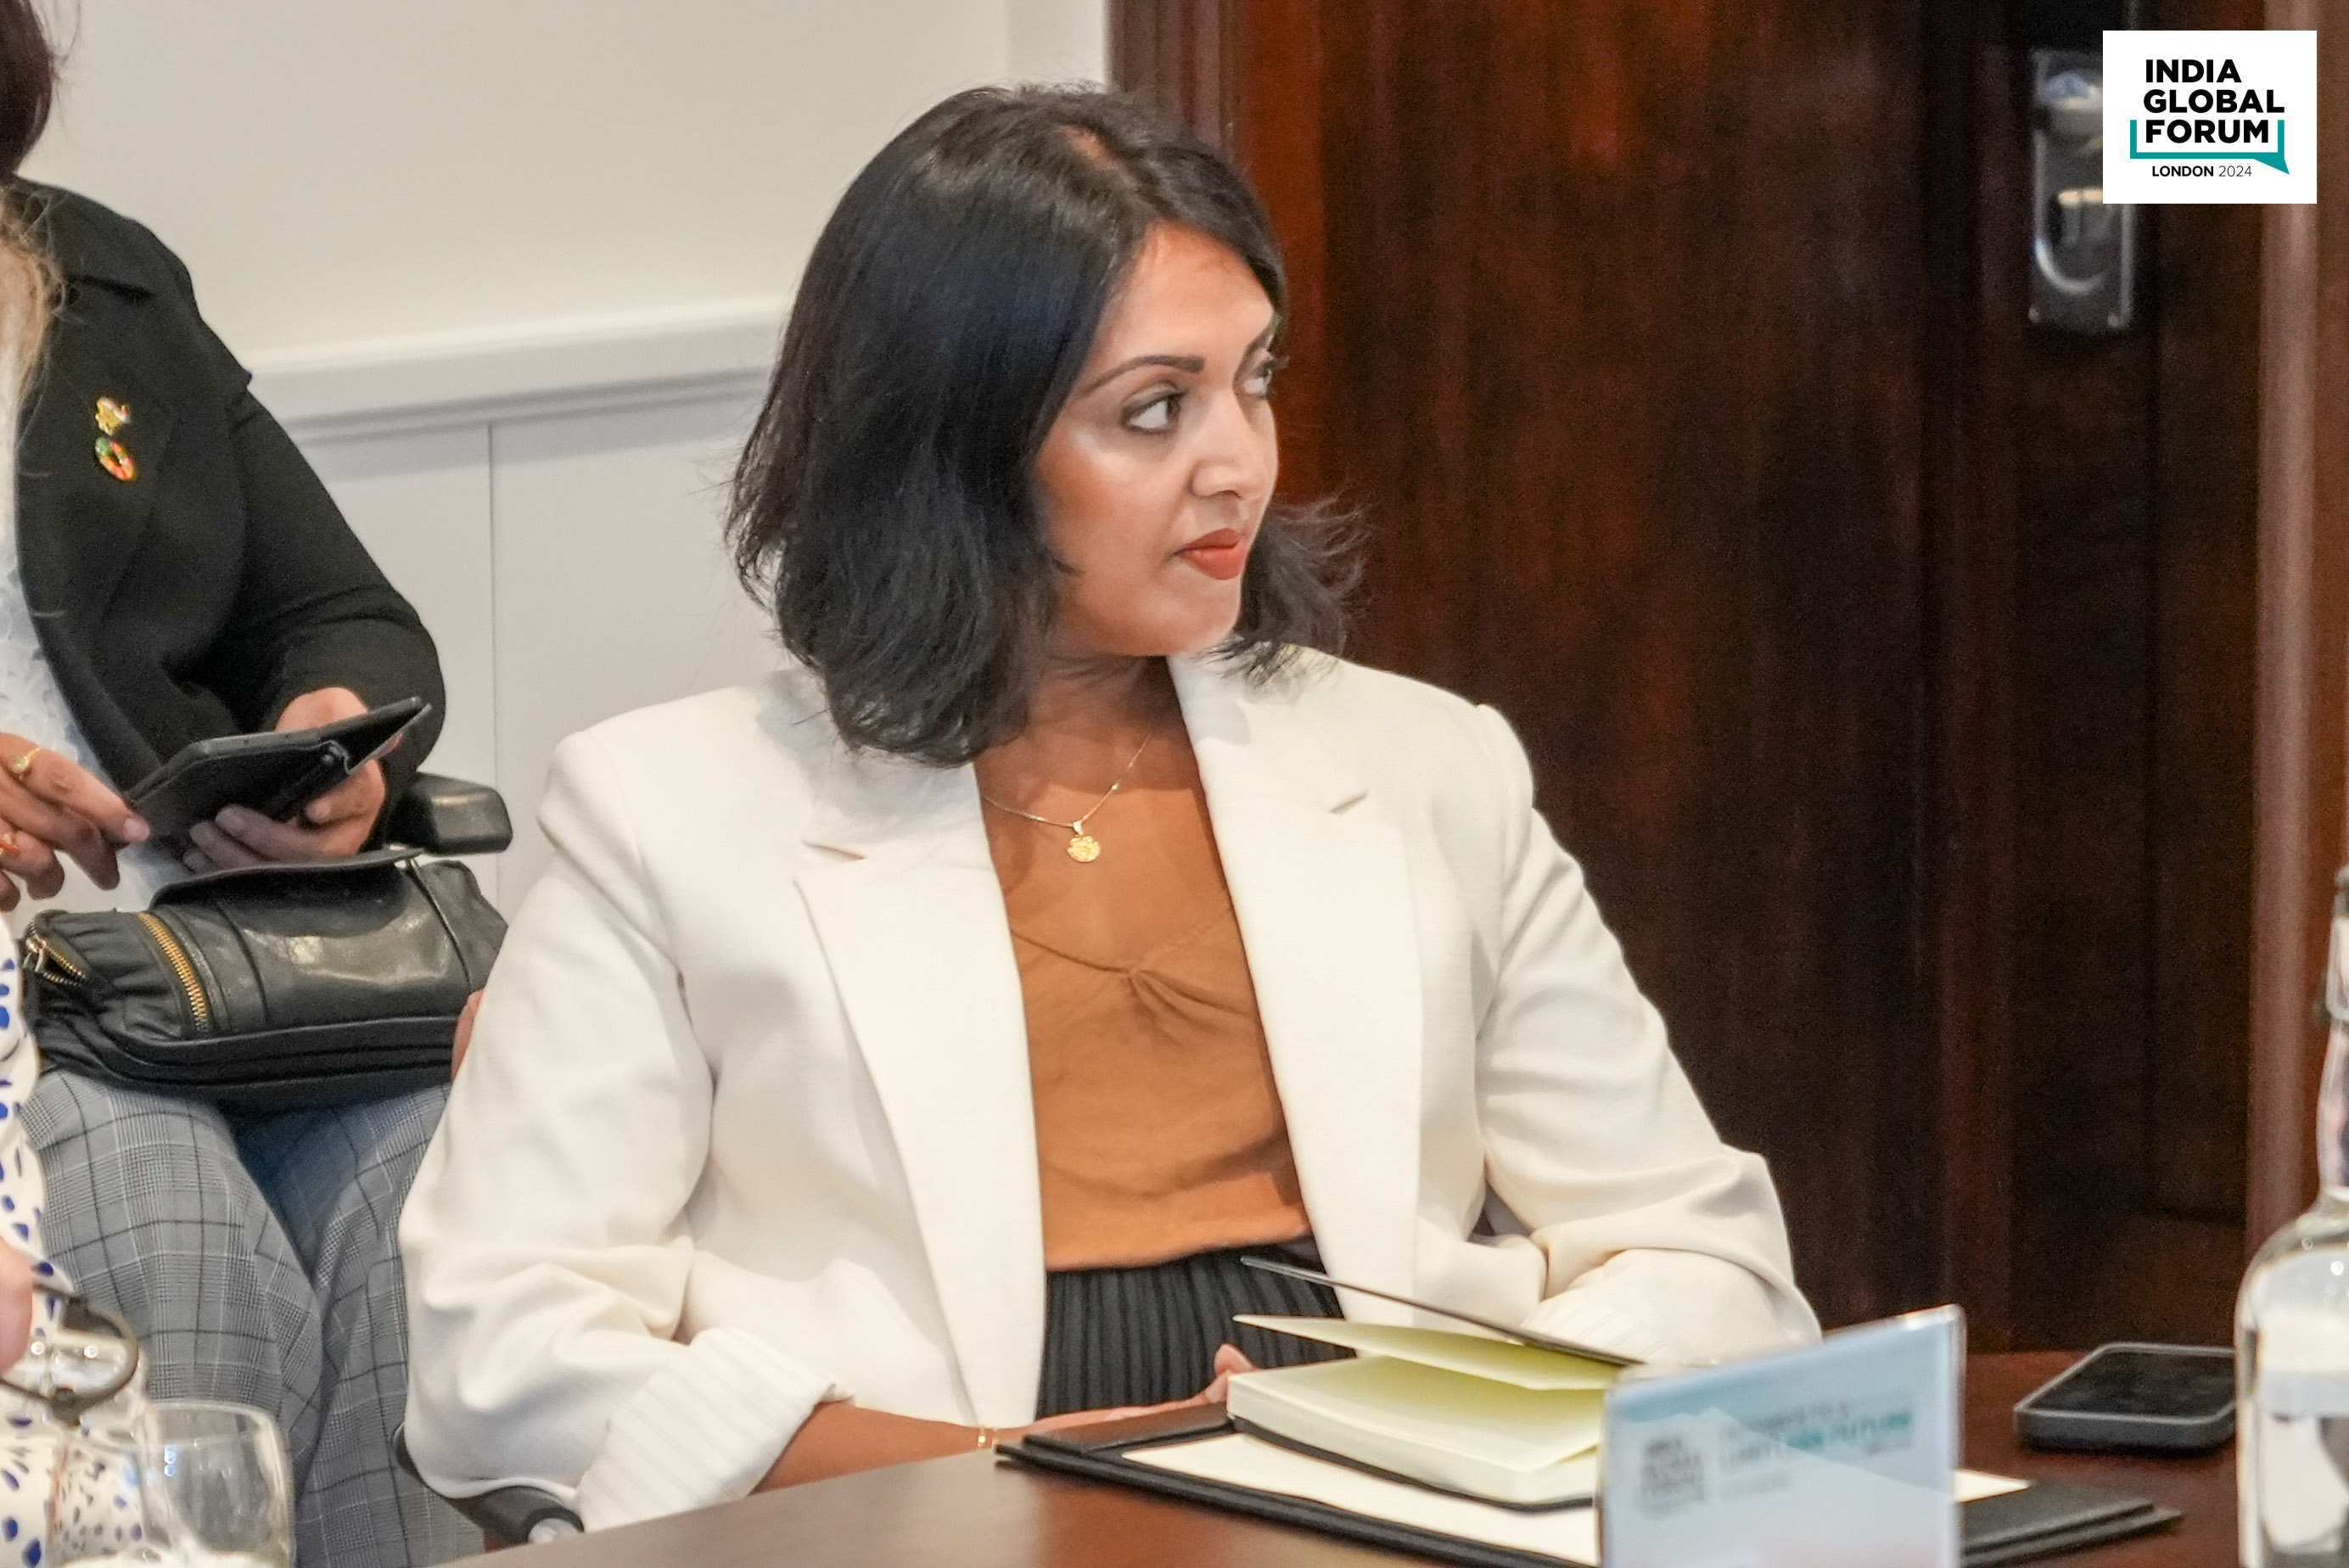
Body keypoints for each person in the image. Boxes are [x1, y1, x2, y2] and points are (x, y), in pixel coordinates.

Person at [401, 85, 1819, 1532]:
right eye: (1154, 410)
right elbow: (503, 1352)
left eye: (1254, 380)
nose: (1241, 463)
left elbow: (1703, 1259)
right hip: (921, 1527)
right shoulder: (667, 814)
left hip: (1392, 1510)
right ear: (955, 445)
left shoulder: (1428, 766)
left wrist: (1436, 1438)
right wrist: (998, 1472)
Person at [0, 5, 474, 1561]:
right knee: (163, 1214)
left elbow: (338, 611)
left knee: (433, 1190)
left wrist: (340, 740)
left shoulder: (103, 279)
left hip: (217, 952)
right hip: (29, 1008)